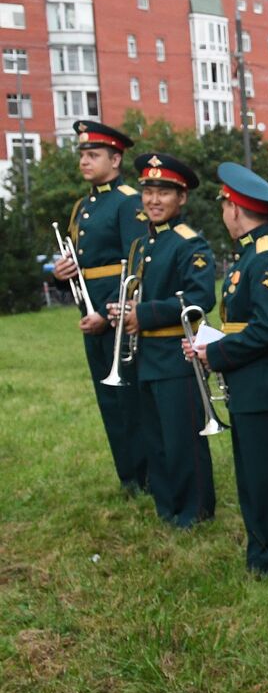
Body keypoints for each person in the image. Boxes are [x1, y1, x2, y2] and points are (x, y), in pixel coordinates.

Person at [186, 162, 268, 573]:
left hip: (265, 382)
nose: (223, 215)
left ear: (235, 208)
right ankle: (264, 551)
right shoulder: (251, 255)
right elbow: (245, 325)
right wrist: (209, 342)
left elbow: (265, 330)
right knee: (253, 476)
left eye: (224, 206)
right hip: (249, 380)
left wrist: (215, 355)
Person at [50, 121, 148, 495]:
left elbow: (135, 268)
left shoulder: (128, 200)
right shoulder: (83, 206)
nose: (84, 162)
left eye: (93, 155)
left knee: (131, 399)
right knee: (109, 400)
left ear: (116, 158)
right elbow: (79, 262)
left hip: (116, 318)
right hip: (87, 312)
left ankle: (146, 476)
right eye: (82, 155)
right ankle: (127, 476)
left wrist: (109, 317)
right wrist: (63, 273)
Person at [122, 153, 217, 528]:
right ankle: (167, 505)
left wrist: (142, 315)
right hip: (145, 355)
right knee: (156, 437)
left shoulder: (190, 243)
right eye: (148, 192)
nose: (154, 200)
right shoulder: (141, 245)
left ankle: (195, 510)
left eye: (164, 193)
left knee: (183, 439)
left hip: (177, 354)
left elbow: (199, 299)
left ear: (182, 199)